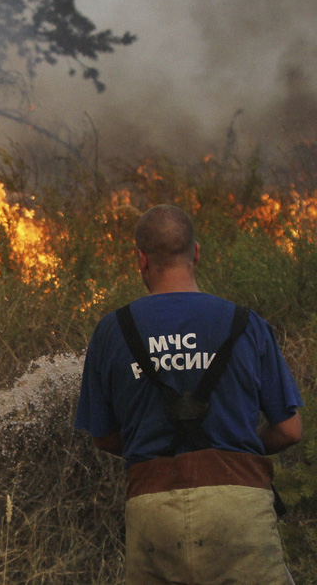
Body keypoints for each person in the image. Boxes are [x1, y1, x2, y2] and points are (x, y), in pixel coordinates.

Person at [76, 204, 303, 584]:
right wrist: (233, 450)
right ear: (196, 252)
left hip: (153, 512)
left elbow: (103, 436)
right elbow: (290, 430)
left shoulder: (112, 331)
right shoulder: (247, 324)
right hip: (239, 507)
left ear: (141, 259)